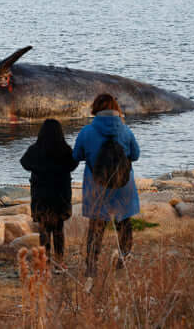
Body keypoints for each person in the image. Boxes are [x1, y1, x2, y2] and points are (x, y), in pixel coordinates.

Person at [73, 94, 140, 277]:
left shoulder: (87, 131)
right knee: (124, 222)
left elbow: (76, 156)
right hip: (123, 183)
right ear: (115, 108)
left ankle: (92, 265)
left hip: (97, 184)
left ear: (96, 108)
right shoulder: (126, 130)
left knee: (96, 226)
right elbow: (135, 155)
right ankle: (123, 260)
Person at [20, 119, 78, 265]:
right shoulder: (66, 150)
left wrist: (39, 169)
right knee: (59, 229)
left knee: (44, 230)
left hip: (41, 197)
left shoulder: (35, 149)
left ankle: (44, 261)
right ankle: (59, 261)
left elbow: (24, 163)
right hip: (60, 197)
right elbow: (74, 164)